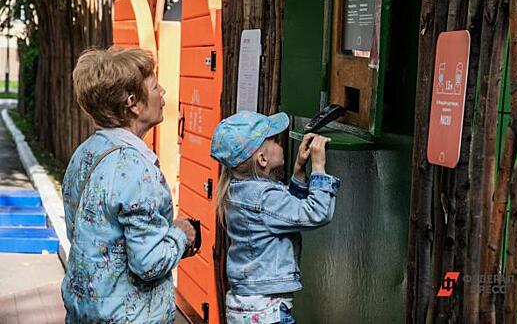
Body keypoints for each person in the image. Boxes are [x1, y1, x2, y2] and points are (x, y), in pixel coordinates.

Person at [61, 48, 196, 323]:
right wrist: (182, 234)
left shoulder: (85, 153)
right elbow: (148, 263)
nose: (163, 92)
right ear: (133, 102)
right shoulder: (135, 168)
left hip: (85, 312)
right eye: (155, 86)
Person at [210, 111, 340, 324]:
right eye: (273, 140)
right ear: (262, 159)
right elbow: (316, 213)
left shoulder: (237, 190)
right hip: (267, 312)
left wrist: (299, 171)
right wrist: (318, 168)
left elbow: (286, 214)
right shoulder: (264, 197)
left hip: (247, 306)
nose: (281, 142)